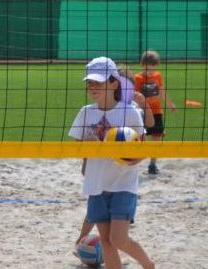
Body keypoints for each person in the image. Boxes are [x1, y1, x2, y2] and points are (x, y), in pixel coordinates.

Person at [69, 57, 154, 269]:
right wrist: (86, 152)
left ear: (114, 82)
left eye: (98, 82)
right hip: (96, 184)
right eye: (90, 82)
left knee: (119, 239)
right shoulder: (86, 112)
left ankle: (149, 265)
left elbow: (142, 147)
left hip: (123, 183)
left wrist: (138, 158)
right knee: (106, 242)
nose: (93, 86)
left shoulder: (130, 112)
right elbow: (78, 146)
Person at [134, 50, 176, 175]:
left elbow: (162, 90)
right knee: (139, 137)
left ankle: (152, 164)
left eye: (153, 69)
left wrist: (170, 104)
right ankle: (133, 160)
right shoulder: (138, 78)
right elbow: (135, 95)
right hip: (142, 111)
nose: (150, 72)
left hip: (157, 111)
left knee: (157, 136)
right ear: (142, 65)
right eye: (148, 69)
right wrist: (144, 100)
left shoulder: (158, 76)